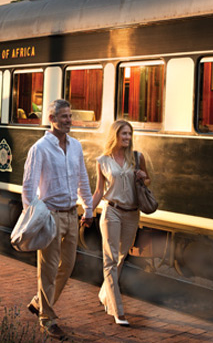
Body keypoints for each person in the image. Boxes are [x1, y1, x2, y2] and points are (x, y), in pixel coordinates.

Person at [22, 99, 94, 339]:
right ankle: (47, 318)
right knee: (49, 269)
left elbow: (82, 177)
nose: (69, 120)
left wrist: (89, 208)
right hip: (51, 215)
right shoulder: (40, 148)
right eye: (64, 116)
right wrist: (32, 218)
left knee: (68, 265)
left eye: (70, 116)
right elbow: (29, 188)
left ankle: (38, 302)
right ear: (51, 119)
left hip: (72, 213)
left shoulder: (75, 146)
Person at [91, 120, 150, 327]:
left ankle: (105, 293)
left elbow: (148, 180)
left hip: (132, 214)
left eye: (129, 134)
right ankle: (118, 311)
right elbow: (99, 190)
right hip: (111, 212)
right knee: (110, 260)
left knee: (121, 257)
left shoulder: (137, 157)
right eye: (124, 134)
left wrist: (144, 177)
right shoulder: (102, 161)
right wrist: (88, 210)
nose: (127, 138)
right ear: (115, 135)